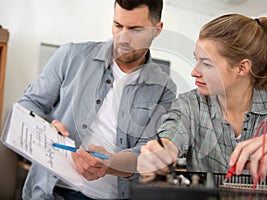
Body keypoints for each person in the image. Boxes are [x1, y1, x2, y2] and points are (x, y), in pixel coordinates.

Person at [19, 0, 176, 199]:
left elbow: (145, 154)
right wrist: (46, 128)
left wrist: (110, 163)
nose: (123, 39)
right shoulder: (70, 55)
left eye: (136, 30)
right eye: (118, 26)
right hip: (50, 191)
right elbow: (28, 104)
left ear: (157, 29)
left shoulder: (164, 89)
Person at [137, 13, 267, 184]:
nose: (194, 71)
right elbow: (172, 134)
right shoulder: (190, 105)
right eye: (197, 60)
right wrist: (159, 153)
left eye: (206, 64)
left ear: (241, 68)